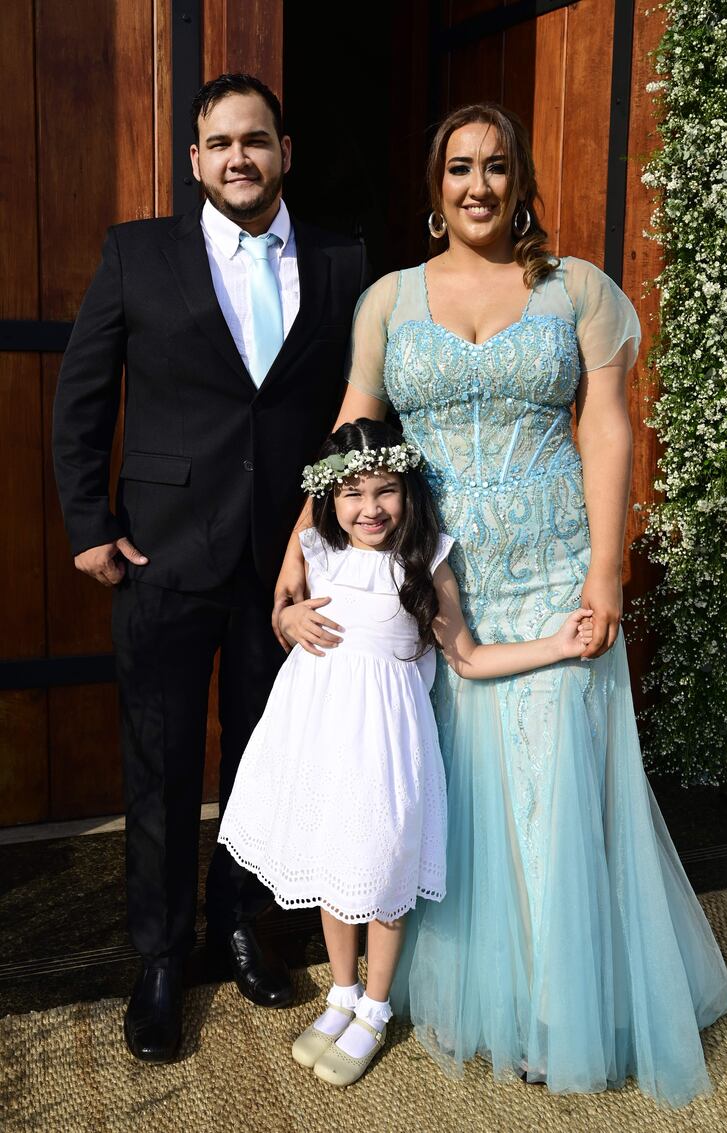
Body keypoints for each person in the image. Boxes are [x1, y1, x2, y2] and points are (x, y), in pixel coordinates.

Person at [272, 104, 727, 1106]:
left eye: (493, 167)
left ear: (519, 181)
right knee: (446, 785)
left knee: (553, 787)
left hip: (551, 567)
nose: (475, 185)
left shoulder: (578, 292)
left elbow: (605, 430)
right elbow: (354, 426)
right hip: (428, 582)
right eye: (455, 169)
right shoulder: (389, 300)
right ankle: (437, 987)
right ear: (434, 188)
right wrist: (297, 550)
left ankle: (558, 1011)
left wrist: (604, 570)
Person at [52, 72, 370, 1064]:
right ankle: (158, 955)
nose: (239, 157)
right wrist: (89, 522)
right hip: (164, 553)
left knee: (264, 757)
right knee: (158, 761)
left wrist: (346, 539)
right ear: (195, 160)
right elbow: (83, 395)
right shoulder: (135, 252)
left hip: (287, 565)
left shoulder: (340, 258)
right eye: (220, 143)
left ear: (285, 151)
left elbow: (355, 410)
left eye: (256, 140)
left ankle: (241, 922)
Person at [219, 418, 594, 1088]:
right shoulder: (316, 550)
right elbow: (286, 616)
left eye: (385, 490)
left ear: (408, 492)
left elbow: (469, 657)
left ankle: (375, 1004)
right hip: (319, 737)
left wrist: (557, 646)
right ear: (328, 498)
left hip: (386, 747)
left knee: (384, 872)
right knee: (337, 864)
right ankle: (341, 992)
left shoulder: (423, 563)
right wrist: (286, 618)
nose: (369, 508)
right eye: (352, 493)